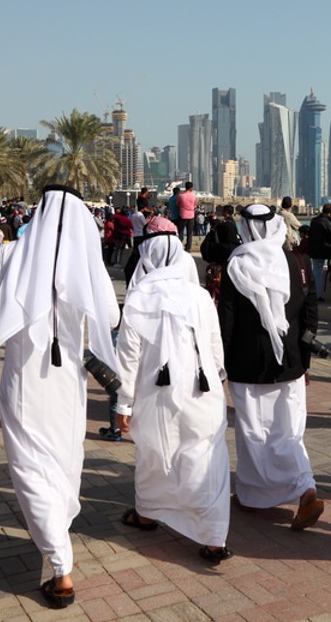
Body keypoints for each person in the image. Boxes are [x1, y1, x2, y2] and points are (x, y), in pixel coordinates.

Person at [0, 185, 121, 608]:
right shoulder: (87, 263)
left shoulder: (10, 255)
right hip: (68, 385)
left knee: (31, 468)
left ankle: (61, 567)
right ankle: (58, 541)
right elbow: (110, 317)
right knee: (61, 460)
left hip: (24, 380)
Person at [114, 224, 232, 563]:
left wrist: (123, 402)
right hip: (203, 387)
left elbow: (128, 356)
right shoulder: (199, 295)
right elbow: (214, 343)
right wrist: (218, 377)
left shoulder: (139, 298)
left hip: (156, 393)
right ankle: (212, 538)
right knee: (207, 458)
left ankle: (148, 514)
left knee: (155, 454)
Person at [217, 204, 324, 530]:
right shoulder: (298, 262)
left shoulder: (237, 265)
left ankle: (280, 492)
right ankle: (276, 492)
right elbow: (310, 314)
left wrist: (220, 363)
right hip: (289, 361)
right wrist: (304, 363)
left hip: (248, 362)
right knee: (289, 431)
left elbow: (227, 321)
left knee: (254, 432)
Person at [307, 204, 331, 301]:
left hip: (313, 250)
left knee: (316, 271)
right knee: (318, 272)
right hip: (323, 250)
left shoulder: (314, 220)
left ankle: (314, 293)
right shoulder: (327, 222)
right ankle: (317, 295)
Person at [178, 181, 197, 250]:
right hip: (191, 215)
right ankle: (188, 248)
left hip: (182, 215)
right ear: (191, 188)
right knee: (189, 233)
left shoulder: (181, 196)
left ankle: (179, 246)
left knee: (180, 231)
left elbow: (178, 204)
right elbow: (194, 205)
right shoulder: (193, 196)